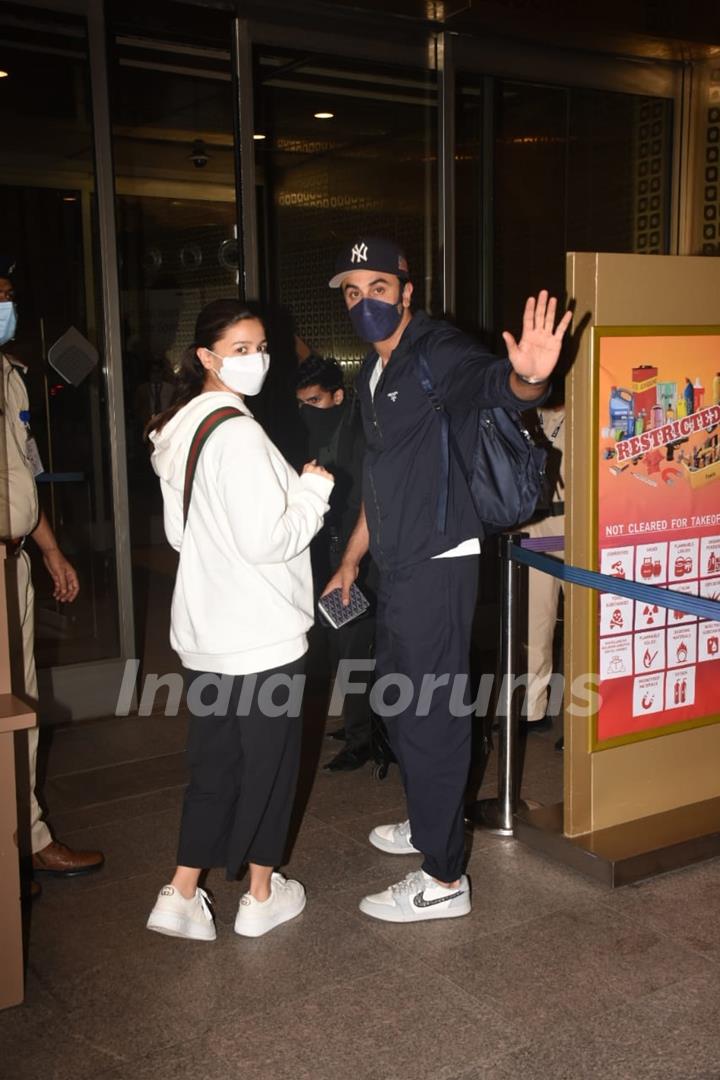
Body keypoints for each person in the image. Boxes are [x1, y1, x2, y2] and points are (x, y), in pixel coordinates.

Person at [323, 237, 571, 923]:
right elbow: (381, 478)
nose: (364, 301)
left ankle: (443, 879)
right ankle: (431, 822)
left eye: (378, 287)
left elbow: (491, 381)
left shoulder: (434, 350)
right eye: (351, 291)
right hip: (396, 561)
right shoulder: (376, 373)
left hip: (439, 559)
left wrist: (527, 378)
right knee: (402, 704)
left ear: (407, 291)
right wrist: (351, 558)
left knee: (431, 713)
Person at [145, 299, 333, 941]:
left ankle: (180, 890)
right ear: (207, 356)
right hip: (261, 637)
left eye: (261, 348)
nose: (257, 360)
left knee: (216, 764)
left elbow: (179, 534)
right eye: (242, 349)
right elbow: (267, 540)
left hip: (207, 636)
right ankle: (259, 895)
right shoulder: (241, 435)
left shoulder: (181, 430)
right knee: (270, 766)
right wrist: (312, 492)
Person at [0, 265, 104, 887]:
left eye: (8, 294)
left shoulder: (10, 375)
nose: (5, 303)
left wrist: (50, 551)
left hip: (13, 559)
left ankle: (27, 835)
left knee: (22, 705)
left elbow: (22, 474)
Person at [296, 355, 374, 772]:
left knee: (354, 644)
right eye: (302, 402)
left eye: (315, 400)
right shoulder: (310, 430)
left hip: (356, 554)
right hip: (323, 550)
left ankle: (362, 737)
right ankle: (358, 724)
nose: (308, 409)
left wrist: (352, 556)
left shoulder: (359, 432)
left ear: (338, 396)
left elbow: (368, 497)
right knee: (336, 641)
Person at [522, 400, 566, 739]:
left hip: (576, 521)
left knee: (583, 627)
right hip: (537, 523)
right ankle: (534, 709)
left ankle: (584, 722)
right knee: (536, 619)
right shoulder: (530, 413)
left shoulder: (583, 410)